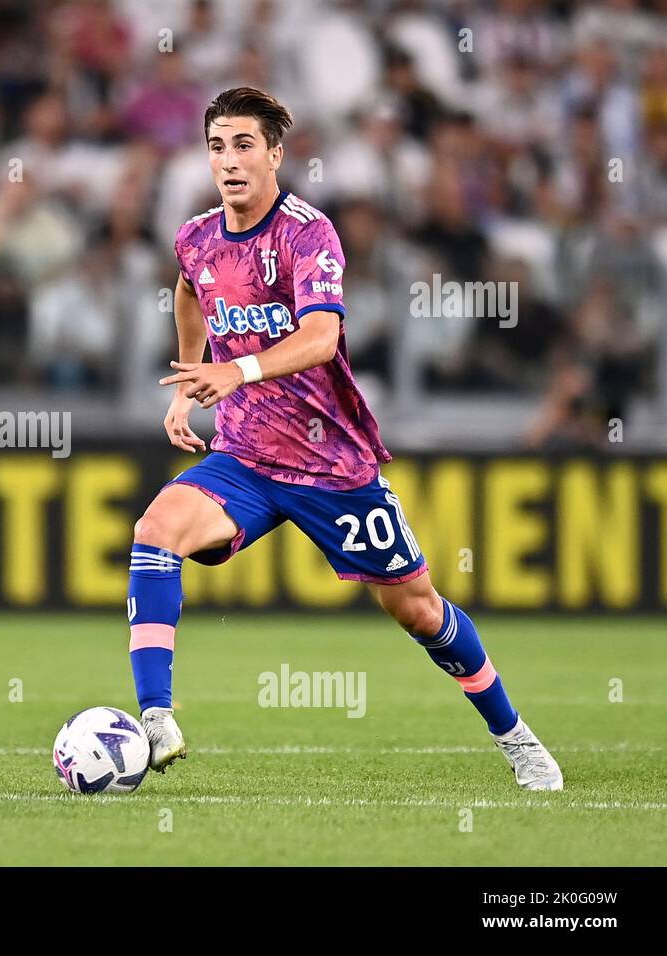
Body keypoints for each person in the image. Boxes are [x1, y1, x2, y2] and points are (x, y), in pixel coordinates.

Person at [130, 87, 562, 791]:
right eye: (216, 146)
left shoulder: (308, 233)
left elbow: (321, 336)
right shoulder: (197, 236)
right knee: (156, 528)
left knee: (419, 610)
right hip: (243, 457)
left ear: (275, 154)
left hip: (330, 466)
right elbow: (188, 288)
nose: (229, 162)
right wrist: (187, 381)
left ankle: (514, 734)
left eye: (244, 145)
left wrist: (232, 369)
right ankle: (155, 720)